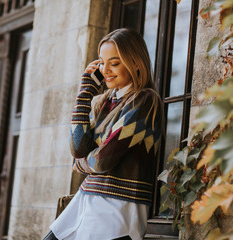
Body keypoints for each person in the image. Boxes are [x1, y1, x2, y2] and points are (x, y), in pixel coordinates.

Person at [43, 28, 162, 240]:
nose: (105, 70)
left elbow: (101, 161)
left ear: (135, 63)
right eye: (101, 62)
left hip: (117, 207)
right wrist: (85, 92)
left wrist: (81, 165)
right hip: (87, 199)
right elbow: (78, 148)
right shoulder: (105, 102)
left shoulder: (144, 101)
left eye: (114, 63)